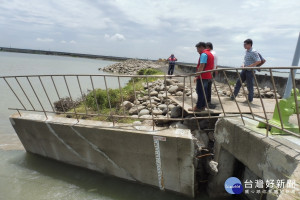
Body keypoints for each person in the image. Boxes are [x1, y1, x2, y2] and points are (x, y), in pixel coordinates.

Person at [231, 39, 262, 103]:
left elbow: (259, 61)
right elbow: (245, 60)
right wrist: (243, 65)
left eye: (245, 44)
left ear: (249, 44)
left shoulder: (253, 51)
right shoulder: (247, 51)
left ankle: (250, 100)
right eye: (244, 44)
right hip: (244, 70)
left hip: (250, 71)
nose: (244, 45)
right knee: (238, 82)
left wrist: (250, 66)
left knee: (249, 85)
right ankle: (233, 97)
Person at [188, 42, 214, 112]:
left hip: (203, 76)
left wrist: (197, 75)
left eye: (198, 48)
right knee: (204, 91)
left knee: (200, 91)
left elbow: (202, 65)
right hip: (207, 75)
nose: (197, 50)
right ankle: (203, 106)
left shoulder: (204, 54)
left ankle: (198, 107)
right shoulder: (210, 54)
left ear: (201, 47)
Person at [206, 42, 218, 108]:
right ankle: (208, 101)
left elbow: (211, 64)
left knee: (207, 87)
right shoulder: (214, 53)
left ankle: (207, 101)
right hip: (212, 71)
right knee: (208, 87)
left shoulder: (211, 54)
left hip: (210, 72)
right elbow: (215, 64)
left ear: (208, 47)